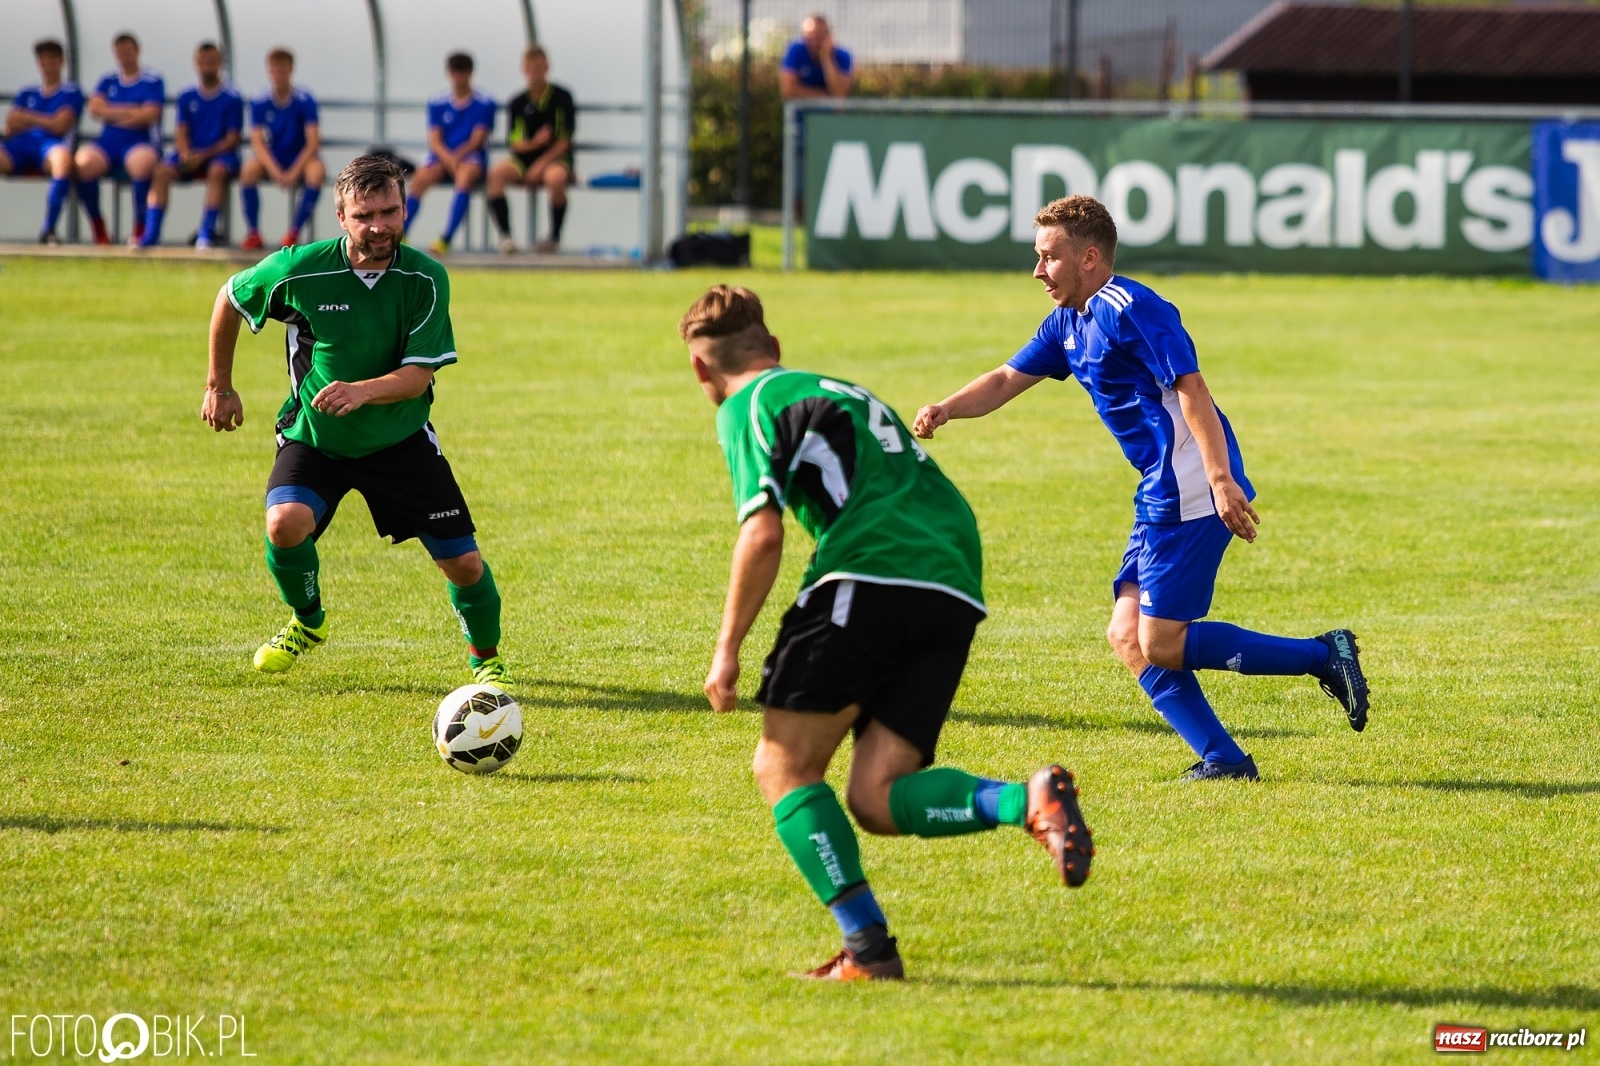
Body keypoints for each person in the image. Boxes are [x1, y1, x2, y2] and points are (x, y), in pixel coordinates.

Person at [681, 284, 1093, 982]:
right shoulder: (839, 387)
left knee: (784, 767)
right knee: (876, 794)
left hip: (871, 572)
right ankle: (1028, 800)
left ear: (701, 372)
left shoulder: (746, 405)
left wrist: (726, 650)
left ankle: (868, 949)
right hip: (955, 577)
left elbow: (763, 531)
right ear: (774, 347)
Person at [913, 195, 1370, 781]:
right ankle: (1225, 759)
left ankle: (1322, 655)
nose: (1037, 271)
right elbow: (1005, 379)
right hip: (1161, 487)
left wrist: (1221, 478)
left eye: (1049, 258)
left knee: (1159, 643)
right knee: (1127, 636)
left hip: (1190, 486)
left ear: (1090, 258)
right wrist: (946, 409)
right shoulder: (1067, 323)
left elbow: (1190, 388)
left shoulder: (1128, 307)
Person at [201, 154, 508, 685]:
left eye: (390, 211)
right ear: (341, 217)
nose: (379, 226)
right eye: (365, 215)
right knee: (284, 523)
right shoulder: (301, 268)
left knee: (463, 564)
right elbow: (230, 297)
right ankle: (307, 621)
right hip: (317, 438)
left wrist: (361, 392)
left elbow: (417, 377)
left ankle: (488, 662)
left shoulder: (425, 278)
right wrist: (219, 386)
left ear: (405, 210)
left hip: (401, 439)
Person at [137, 42, 242, 249]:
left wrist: (203, 155)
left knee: (218, 172)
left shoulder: (231, 97)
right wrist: (185, 153)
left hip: (218, 155)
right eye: (203, 62)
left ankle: (205, 232)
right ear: (196, 63)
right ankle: (151, 234)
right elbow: (181, 131)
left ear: (219, 63)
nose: (207, 67)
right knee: (161, 171)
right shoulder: (187, 95)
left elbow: (232, 138)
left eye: (211, 62)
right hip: (191, 155)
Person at [74, 33, 164, 246]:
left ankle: (140, 228)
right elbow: (95, 109)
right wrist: (131, 111)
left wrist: (111, 112)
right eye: (120, 52)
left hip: (139, 141)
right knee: (82, 163)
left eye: (128, 51)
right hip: (108, 142)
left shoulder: (152, 80)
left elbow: (149, 115)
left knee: (141, 164)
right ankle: (98, 225)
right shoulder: (108, 80)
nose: (124, 56)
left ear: (137, 51)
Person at [487, 44, 575, 255]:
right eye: (530, 68)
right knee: (495, 175)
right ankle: (506, 238)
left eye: (539, 67)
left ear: (547, 67)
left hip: (555, 158)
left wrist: (541, 163)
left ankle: (554, 237)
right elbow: (515, 143)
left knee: (555, 179)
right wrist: (535, 143)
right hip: (524, 161)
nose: (535, 73)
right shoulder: (518, 101)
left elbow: (563, 141)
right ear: (524, 70)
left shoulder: (562, 98)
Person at [406, 52, 496, 257]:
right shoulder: (437, 102)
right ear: (449, 73)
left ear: (470, 73)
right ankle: (401, 233)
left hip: (469, 156)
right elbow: (434, 139)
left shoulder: (484, 102)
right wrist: (448, 159)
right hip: (442, 156)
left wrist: (455, 158)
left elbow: (478, 139)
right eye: (455, 72)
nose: (459, 77)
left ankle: (445, 238)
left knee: (465, 176)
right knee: (420, 178)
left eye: (463, 72)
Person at [0, 39, 85, 245]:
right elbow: (10, 125)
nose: (48, 65)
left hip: (50, 147)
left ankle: (48, 229)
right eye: (44, 60)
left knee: (63, 161)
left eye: (53, 60)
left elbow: (59, 126)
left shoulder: (71, 92)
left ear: (61, 62)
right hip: (20, 147)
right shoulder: (27, 92)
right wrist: (45, 119)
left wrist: (27, 117)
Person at [239, 47, 324, 250]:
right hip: (274, 156)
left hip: (299, 155)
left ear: (291, 70)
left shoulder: (304, 99)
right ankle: (253, 233)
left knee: (316, 172)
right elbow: (257, 142)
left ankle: (294, 233)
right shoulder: (260, 101)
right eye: (274, 69)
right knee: (248, 171)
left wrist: (294, 171)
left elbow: (312, 141)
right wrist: (276, 171)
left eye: (283, 69)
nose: (278, 74)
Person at [779, 15, 853, 101]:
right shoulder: (795, 50)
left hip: (828, 113)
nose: (815, 42)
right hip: (800, 111)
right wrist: (827, 97)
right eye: (810, 37)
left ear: (829, 36)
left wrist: (826, 57)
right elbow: (788, 91)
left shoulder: (842, 55)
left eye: (819, 36)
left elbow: (839, 94)